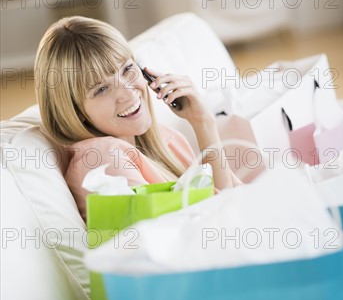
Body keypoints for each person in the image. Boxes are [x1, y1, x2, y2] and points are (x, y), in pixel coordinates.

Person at [35, 16, 242, 220]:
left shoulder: (164, 139)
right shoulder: (100, 158)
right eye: (101, 89)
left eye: (127, 69)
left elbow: (230, 200)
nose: (127, 93)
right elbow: (215, 220)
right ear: (76, 111)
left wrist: (203, 122)